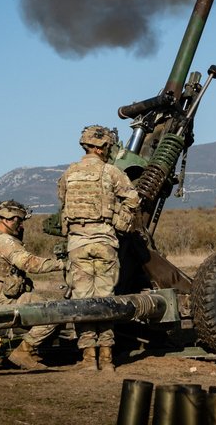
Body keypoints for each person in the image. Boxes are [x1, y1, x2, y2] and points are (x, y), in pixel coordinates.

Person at [58, 125, 140, 372]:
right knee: (105, 301)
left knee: (82, 302)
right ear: (102, 147)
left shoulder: (69, 173)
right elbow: (133, 200)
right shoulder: (111, 172)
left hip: (77, 244)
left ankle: (87, 359)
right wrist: (118, 219)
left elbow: (62, 200)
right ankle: (107, 358)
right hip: (104, 242)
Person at [0, 200, 66, 370]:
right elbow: (29, 263)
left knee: (36, 300)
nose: (20, 226)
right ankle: (24, 351)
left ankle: (32, 352)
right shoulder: (4, 241)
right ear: (8, 219)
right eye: (19, 221)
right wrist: (62, 264)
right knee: (53, 311)